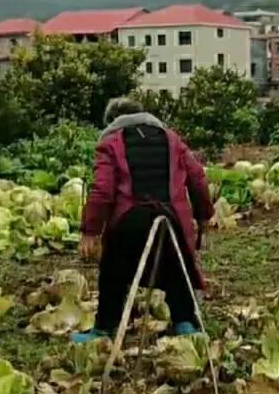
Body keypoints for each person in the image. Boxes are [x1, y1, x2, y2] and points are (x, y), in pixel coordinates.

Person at [71, 97, 214, 343]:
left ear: (112, 121)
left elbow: (103, 190)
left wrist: (91, 231)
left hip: (130, 218)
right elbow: (197, 177)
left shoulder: (111, 143)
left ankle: (104, 329)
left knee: (113, 268)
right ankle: (184, 324)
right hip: (171, 216)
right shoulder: (172, 139)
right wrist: (203, 216)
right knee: (175, 266)